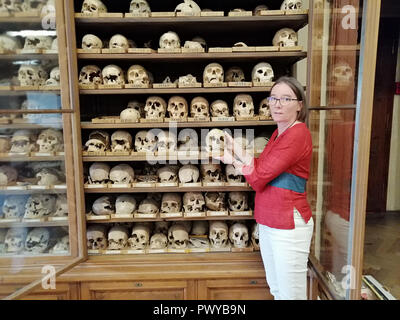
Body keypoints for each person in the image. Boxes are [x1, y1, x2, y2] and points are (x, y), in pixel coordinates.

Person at [215, 76, 314, 300]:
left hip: (288, 223)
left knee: (291, 295)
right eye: (274, 98)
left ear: (300, 105)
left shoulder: (298, 134)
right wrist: (233, 152)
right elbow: (261, 167)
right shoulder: (279, 134)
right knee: (277, 290)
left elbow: (258, 178)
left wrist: (233, 159)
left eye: (286, 98)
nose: (277, 104)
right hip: (270, 221)